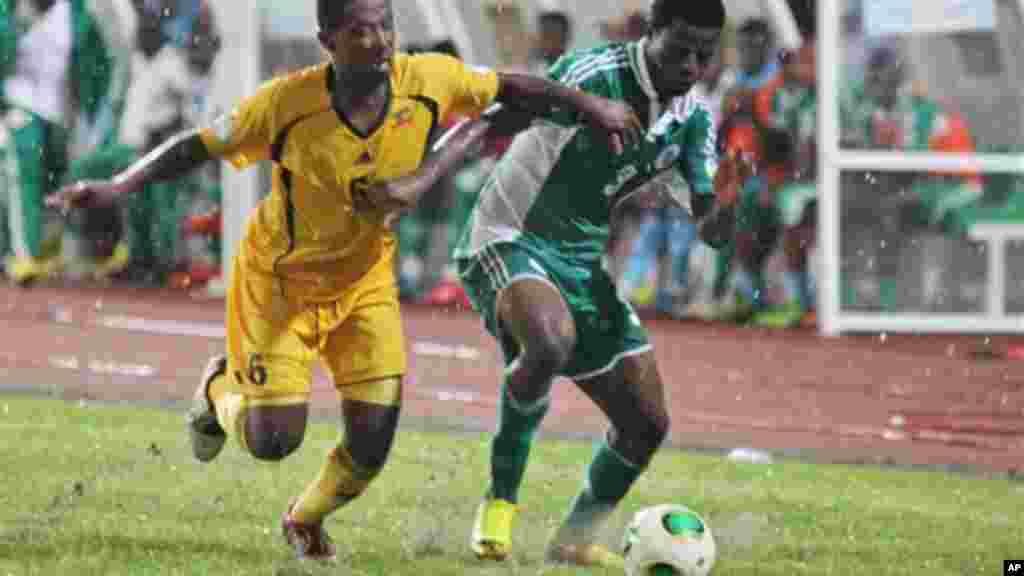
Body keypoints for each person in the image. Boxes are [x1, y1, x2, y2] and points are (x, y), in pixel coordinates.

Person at [48, 0, 643, 563]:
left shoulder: (428, 80)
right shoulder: (286, 103)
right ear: (327, 42)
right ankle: (215, 390)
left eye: (385, 24)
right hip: (280, 284)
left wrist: (594, 107)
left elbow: (512, 88)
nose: (380, 40)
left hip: (364, 284)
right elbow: (197, 145)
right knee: (272, 440)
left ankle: (303, 519)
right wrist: (119, 187)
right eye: (361, 29)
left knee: (372, 442)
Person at [452, 0, 750, 568]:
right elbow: (504, 106)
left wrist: (730, 206)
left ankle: (573, 539)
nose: (691, 65)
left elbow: (711, 231)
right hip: (507, 235)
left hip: (581, 263)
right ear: (650, 31)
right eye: (679, 49)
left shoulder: (693, 119)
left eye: (703, 55)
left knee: (647, 422)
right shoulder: (594, 73)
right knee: (548, 342)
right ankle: (500, 501)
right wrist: (424, 177)